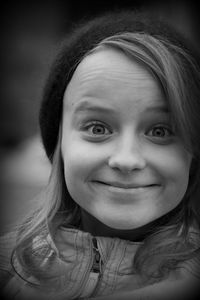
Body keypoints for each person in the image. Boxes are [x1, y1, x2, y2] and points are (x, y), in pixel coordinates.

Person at [1, 9, 200, 300]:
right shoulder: (10, 267)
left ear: (193, 153)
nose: (126, 159)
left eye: (160, 131)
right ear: (59, 143)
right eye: (97, 127)